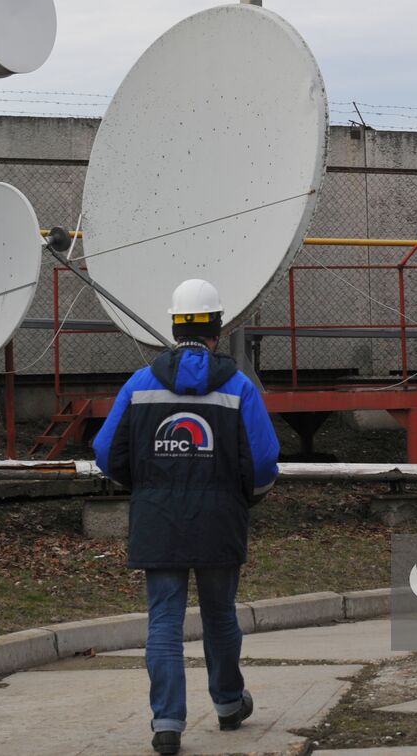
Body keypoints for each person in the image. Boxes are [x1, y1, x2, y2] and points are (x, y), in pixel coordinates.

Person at [93, 278, 281, 755]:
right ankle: (227, 704)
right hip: (219, 520)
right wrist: (247, 499)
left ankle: (167, 723)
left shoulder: (140, 384)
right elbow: (262, 462)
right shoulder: (238, 387)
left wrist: (146, 488)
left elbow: (105, 453)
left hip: (158, 521)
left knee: (164, 622)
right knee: (220, 617)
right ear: (218, 327)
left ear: (175, 328)